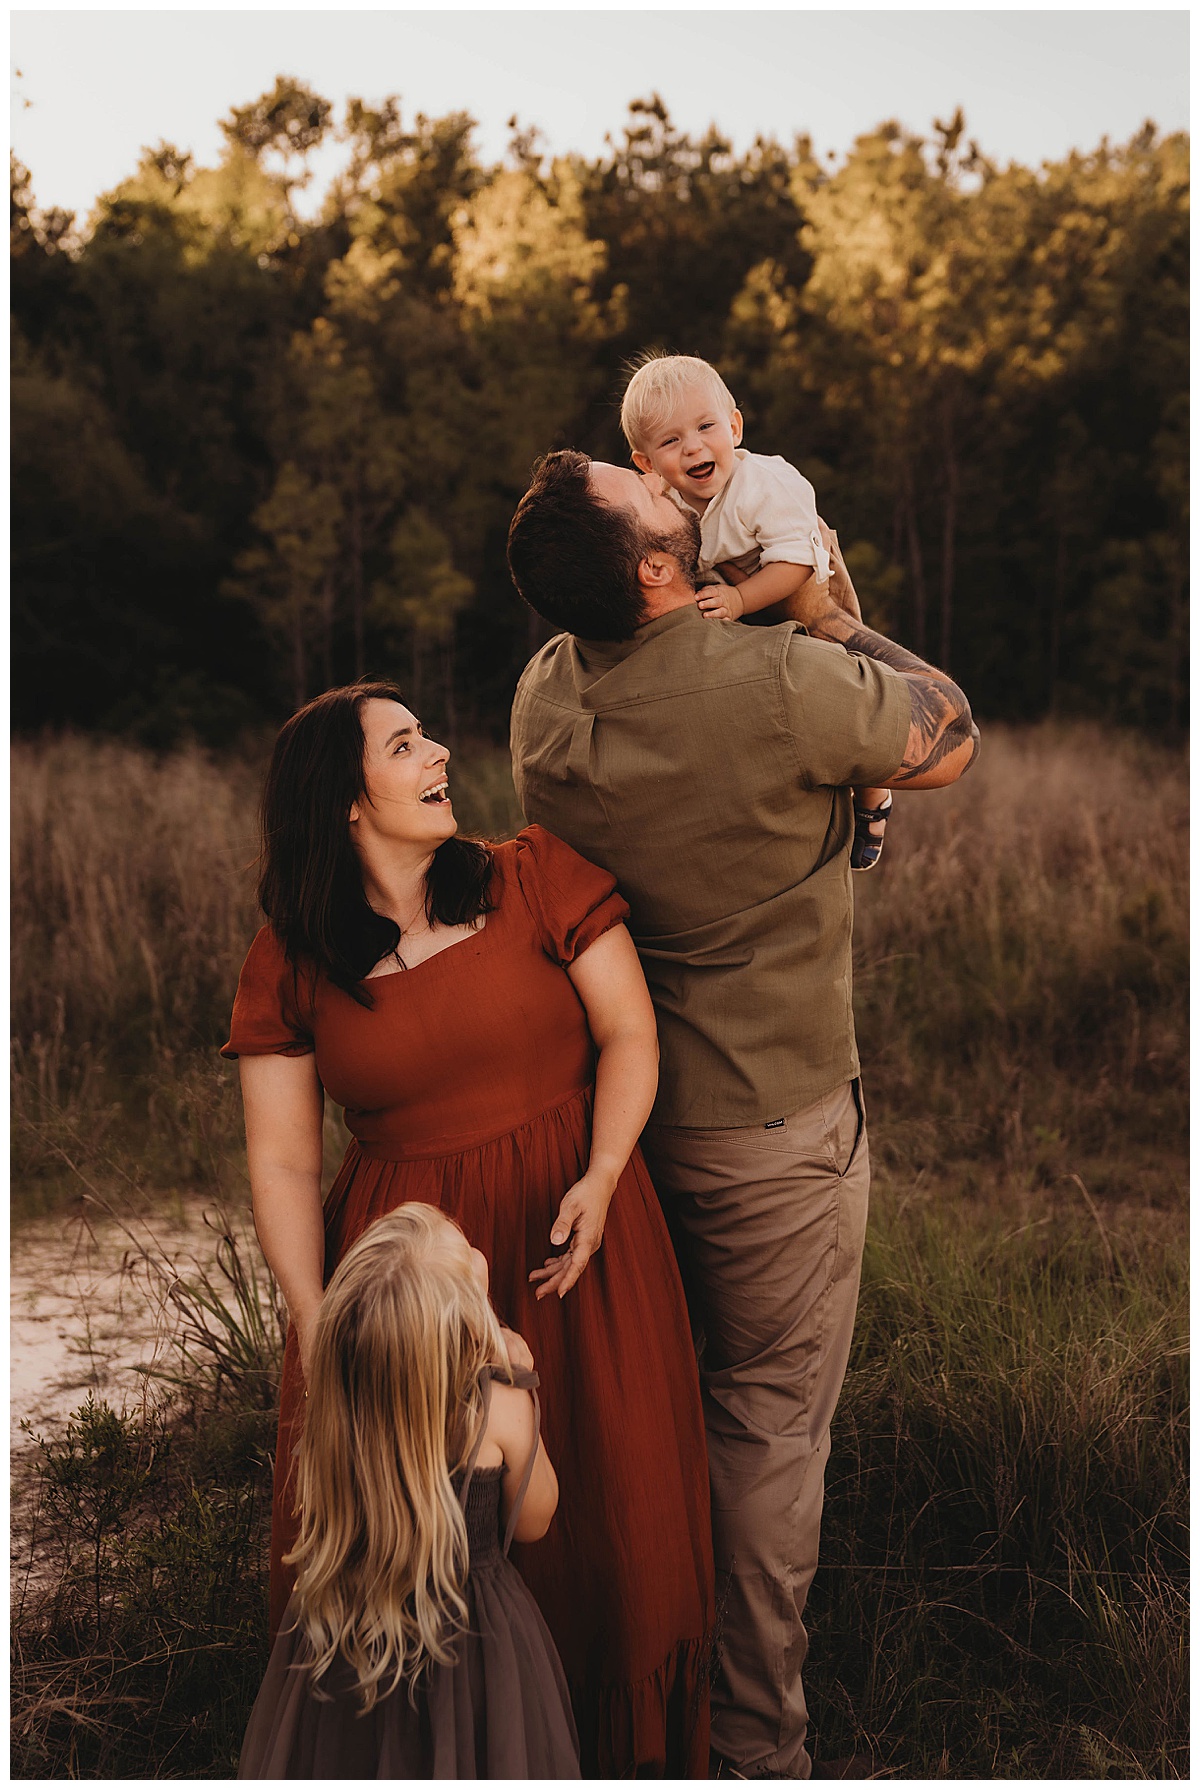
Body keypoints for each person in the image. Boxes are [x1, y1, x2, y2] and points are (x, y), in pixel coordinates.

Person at [506, 451, 978, 1779]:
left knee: (648, 1425)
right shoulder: (775, 680)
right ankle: (757, 1748)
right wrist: (822, 603)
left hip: (620, 1125)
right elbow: (946, 734)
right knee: (767, 1434)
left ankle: (622, 1714)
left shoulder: (543, 696)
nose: (674, 483)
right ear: (660, 567)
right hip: (774, 1130)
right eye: (651, 492)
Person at [222, 680, 714, 1778]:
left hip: (577, 1241)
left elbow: (630, 1033)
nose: (441, 751)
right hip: (407, 1288)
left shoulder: (531, 875)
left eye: (427, 735)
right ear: (347, 802)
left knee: (613, 1526)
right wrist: (320, 1326)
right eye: (405, 745)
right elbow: (287, 1159)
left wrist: (600, 1171)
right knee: (415, 1549)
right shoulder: (293, 955)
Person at [239, 1203, 580, 1779]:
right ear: (462, 1319)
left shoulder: (341, 1398)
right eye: (465, 1253)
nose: (477, 1253)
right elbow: (534, 1519)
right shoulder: (499, 1403)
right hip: (473, 1640)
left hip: (350, 1629)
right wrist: (527, 1384)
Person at [620, 350, 893, 872]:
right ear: (647, 465)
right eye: (671, 441)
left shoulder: (765, 484)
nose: (694, 446)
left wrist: (742, 598)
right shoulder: (669, 504)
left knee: (849, 697)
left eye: (705, 426)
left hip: (808, 596)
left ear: (735, 426)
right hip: (738, 611)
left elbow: (796, 563)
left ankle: (874, 800)